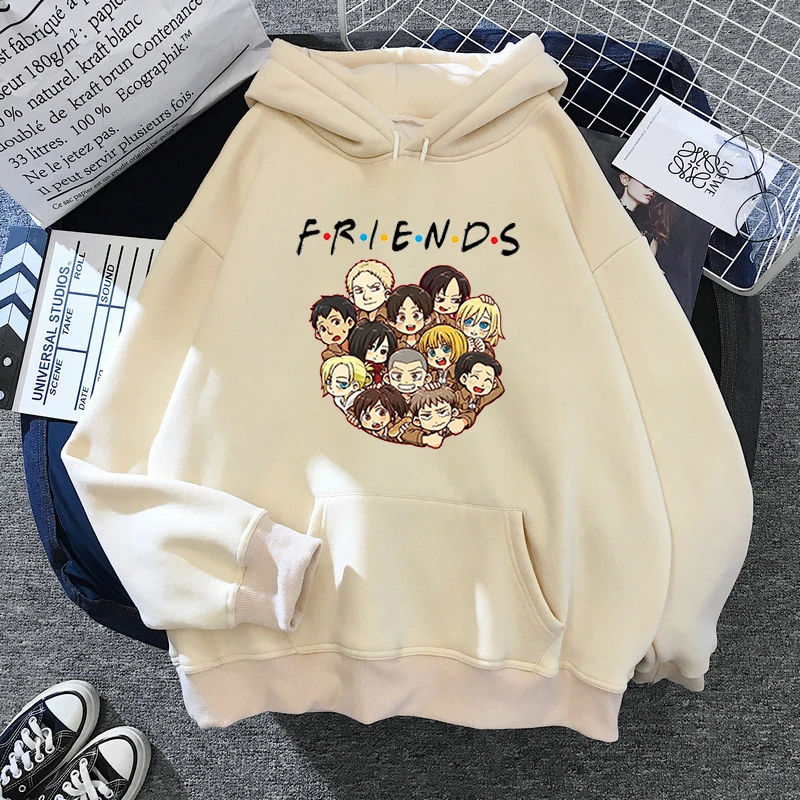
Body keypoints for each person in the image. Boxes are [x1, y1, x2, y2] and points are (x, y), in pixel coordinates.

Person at [618, 173, 674, 257]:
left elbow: (646, 263)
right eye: (646, 183)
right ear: (624, 179)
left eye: (656, 187)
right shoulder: (606, 208)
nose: (651, 190)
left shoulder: (650, 231)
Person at [398, 387, 467, 448]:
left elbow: (469, 413)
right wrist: (426, 439)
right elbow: (406, 435)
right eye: (427, 416)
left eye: (442, 413)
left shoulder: (452, 422)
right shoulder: (415, 428)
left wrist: (463, 422)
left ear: (454, 412)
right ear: (417, 421)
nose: (436, 420)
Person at [454, 352, 504, 427]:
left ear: (493, 384)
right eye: (476, 377)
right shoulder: (458, 396)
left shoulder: (481, 400)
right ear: (464, 378)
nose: (481, 384)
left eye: (487, 380)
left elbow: (500, 389)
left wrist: (491, 374)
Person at [347, 320, 397, 386]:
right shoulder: (355, 368)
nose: (376, 354)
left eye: (383, 351)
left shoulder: (385, 370)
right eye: (370, 348)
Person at [310, 294, 357, 360]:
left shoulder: (360, 343)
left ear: (349, 322)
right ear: (318, 335)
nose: (330, 331)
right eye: (323, 329)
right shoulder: (329, 356)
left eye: (336, 322)